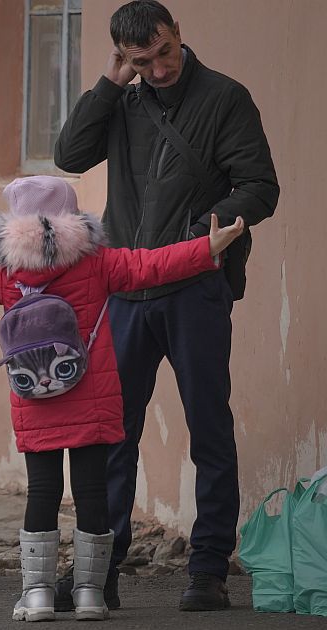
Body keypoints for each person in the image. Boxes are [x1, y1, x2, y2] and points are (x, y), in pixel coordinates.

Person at [0, 176, 245, 622]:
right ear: (71, 215)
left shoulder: (2, 272)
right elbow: (151, 265)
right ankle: (89, 595)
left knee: (43, 493)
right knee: (91, 493)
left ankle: (39, 595)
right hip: (91, 397)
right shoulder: (99, 262)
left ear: (16, 220)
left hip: (36, 397)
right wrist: (206, 248)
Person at [53, 0, 279, 612]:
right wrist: (107, 84)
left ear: (179, 34)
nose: (157, 70)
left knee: (208, 426)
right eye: (140, 61)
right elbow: (69, 156)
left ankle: (207, 570)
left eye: (164, 53)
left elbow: (260, 185)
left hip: (195, 285)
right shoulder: (121, 101)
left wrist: (209, 233)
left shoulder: (226, 97)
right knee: (112, 433)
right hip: (125, 286)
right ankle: (102, 570)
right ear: (124, 58)